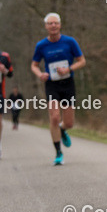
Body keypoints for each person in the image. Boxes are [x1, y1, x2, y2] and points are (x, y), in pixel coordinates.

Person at [30, 12, 86, 165]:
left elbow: (82, 61)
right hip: (52, 84)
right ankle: (58, 153)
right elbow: (34, 65)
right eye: (50, 23)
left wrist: (69, 68)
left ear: (60, 25)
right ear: (46, 26)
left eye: (55, 23)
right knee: (54, 117)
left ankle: (62, 130)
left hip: (68, 83)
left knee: (69, 123)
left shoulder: (70, 41)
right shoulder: (41, 45)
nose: (53, 26)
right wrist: (40, 74)